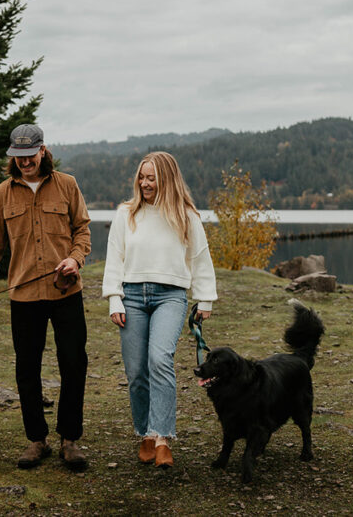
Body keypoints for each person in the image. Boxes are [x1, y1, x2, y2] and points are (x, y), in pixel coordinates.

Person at [0, 124, 92, 470]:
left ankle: (70, 439)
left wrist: (74, 259)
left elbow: (82, 230)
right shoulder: (0, 195)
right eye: (17, 157)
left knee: (73, 363)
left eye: (29, 155)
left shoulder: (67, 185)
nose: (24, 162)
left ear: (42, 150)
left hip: (66, 292)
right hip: (23, 297)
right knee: (27, 370)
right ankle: (37, 440)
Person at [102, 151, 217, 469]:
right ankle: (146, 434)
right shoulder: (127, 213)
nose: (145, 182)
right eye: (142, 177)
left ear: (166, 178)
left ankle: (163, 438)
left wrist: (205, 299)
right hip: (132, 297)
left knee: (159, 360)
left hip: (171, 296)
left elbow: (200, 258)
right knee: (136, 371)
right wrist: (114, 297)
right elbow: (115, 257)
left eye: (151, 177)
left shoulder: (186, 215)